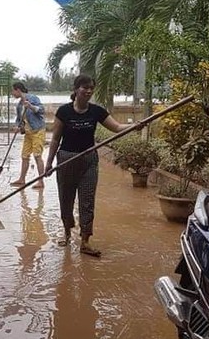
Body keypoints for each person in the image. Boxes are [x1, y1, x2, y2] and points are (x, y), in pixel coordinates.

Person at [44, 74, 138, 257]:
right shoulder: (64, 112)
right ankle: (67, 233)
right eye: (84, 87)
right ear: (76, 89)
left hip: (88, 160)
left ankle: (85, 241)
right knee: (66, 199)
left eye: (91, 88)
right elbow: (55, 139)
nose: (88, 91)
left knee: (87, 201)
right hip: (66, 159)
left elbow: (117, 128)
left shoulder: (96, 111)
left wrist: (135, 125)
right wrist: (48, 163)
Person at [10, 82, 46, 189]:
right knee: (24, 156)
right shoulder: (19, 105)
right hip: (28, 132)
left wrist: (30, 106)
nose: (12, 93)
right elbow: (19, 120)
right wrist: (18, 127)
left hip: (38, 130)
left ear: (18, 90)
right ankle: (22, 179)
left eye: (13, 91)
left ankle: (41, 181)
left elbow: (42, 110)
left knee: (37, 155)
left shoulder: (32, 98)